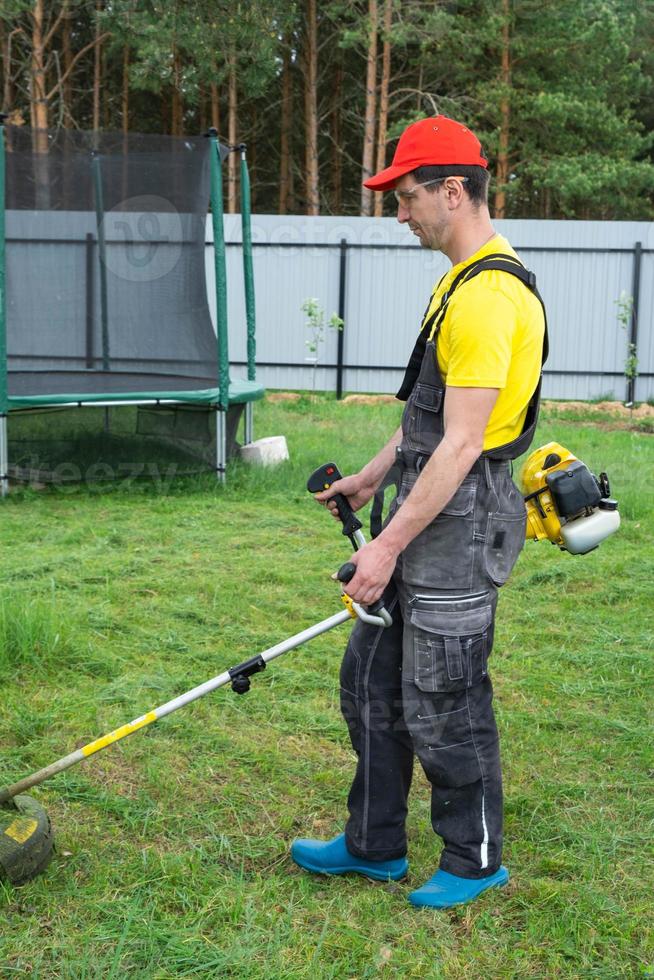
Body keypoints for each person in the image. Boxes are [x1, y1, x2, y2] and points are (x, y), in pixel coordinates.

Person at [291, 115, 547, 909]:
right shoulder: (458, 281)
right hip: (424, 491)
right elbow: (426, 418)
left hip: (463, 514)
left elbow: (464, 444)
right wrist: (371, 480)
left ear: (452, 190)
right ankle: (373, 845)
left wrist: (387, 548)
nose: (399, 214)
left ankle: (474, 860)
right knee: (371, 680)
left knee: (446, 694)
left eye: (406, 198)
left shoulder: (491, 298)